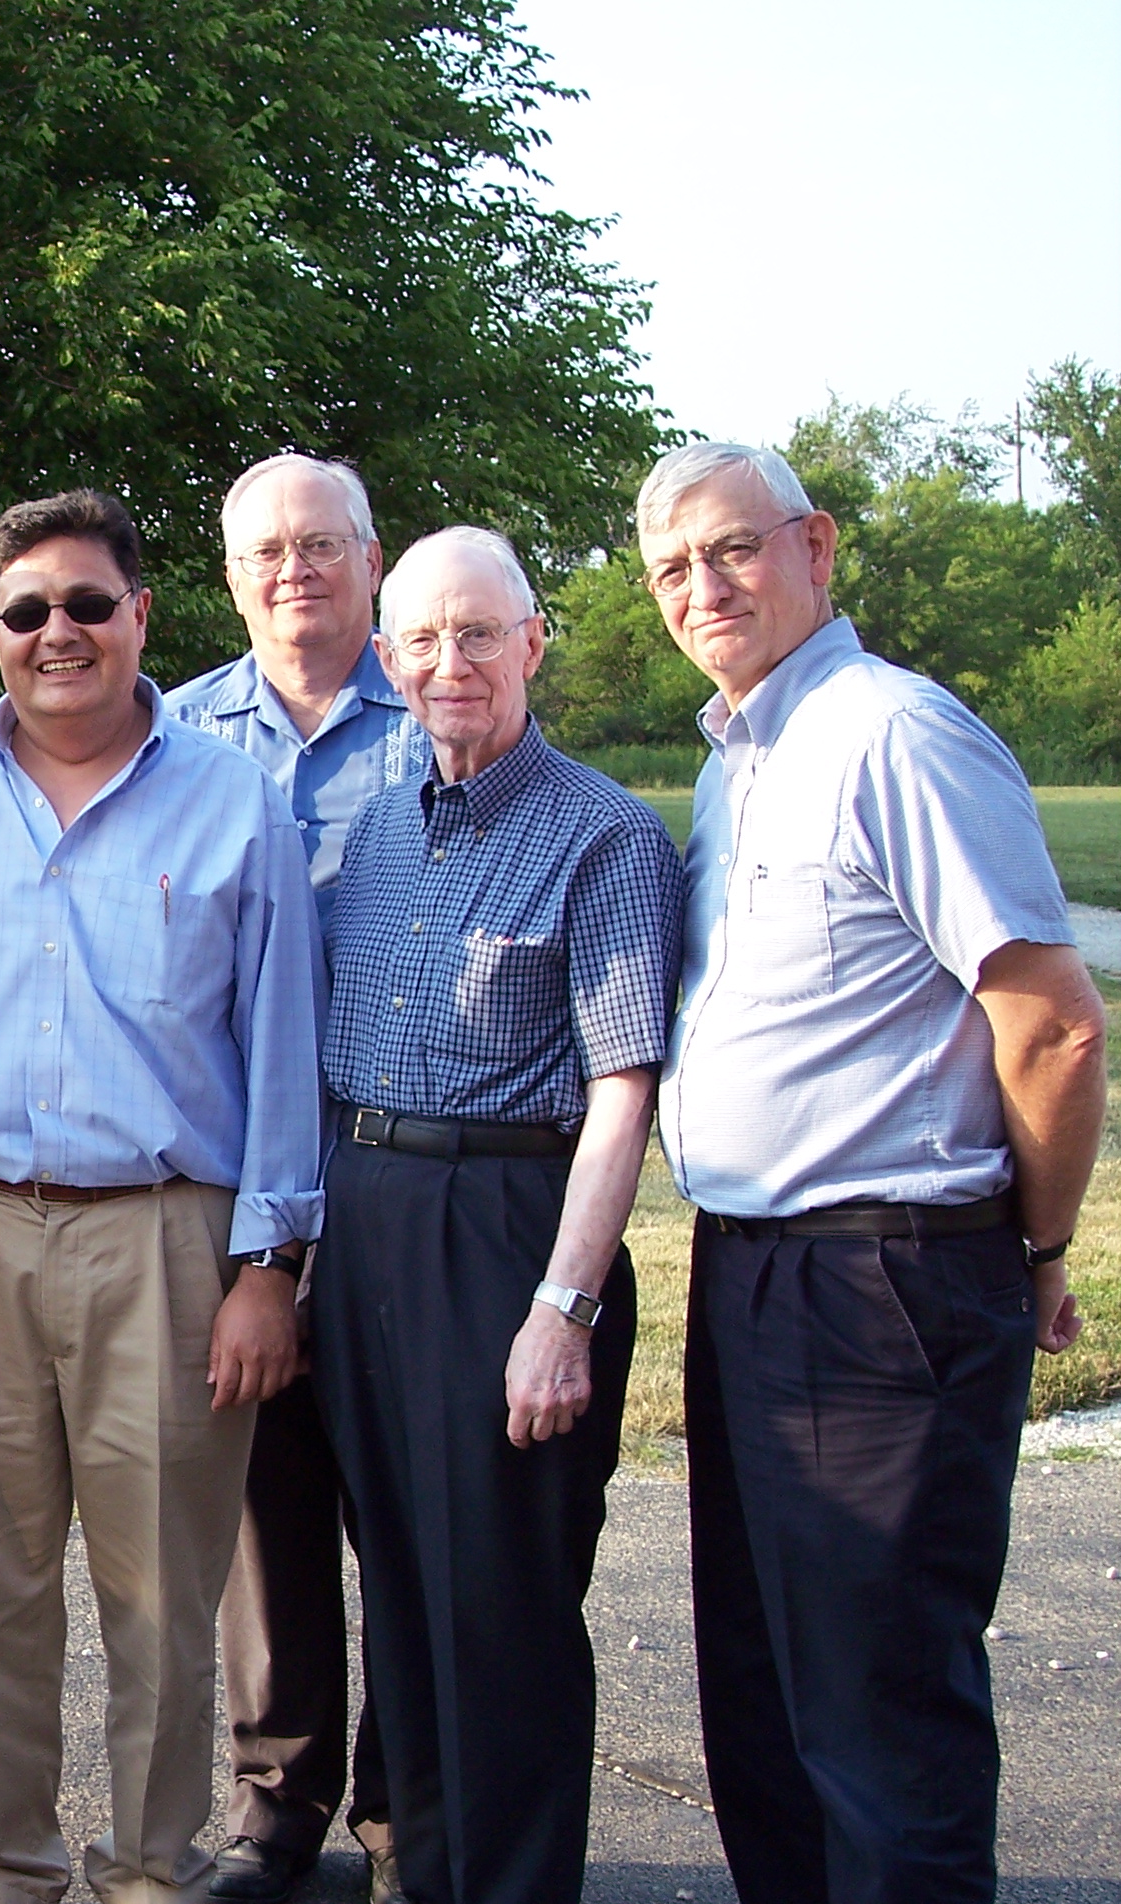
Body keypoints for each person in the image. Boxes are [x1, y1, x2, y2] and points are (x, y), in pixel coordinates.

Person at [642, 442, 1102, 1904]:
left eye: (733, 549)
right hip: (757, 1269)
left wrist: (1029, 1254)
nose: (703, 588)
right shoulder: (745, 759)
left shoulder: (893, 734)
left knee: (877, 1713)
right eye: (671, 568)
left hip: (885, 1274)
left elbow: (1049, 1021)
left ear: (816, 548)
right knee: (767, 1697)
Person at [0, 489, 323, 1904]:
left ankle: (147, 1871)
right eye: (27, 611)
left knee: (162, 1600)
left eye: (87, 605)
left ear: (141, 618)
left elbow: (283, 1040)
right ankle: (6, 1869)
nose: (58, 633)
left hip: (170, 1244)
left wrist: (270, 1266)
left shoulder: (237, 798)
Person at [306, 527, 682, 1904]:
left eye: (480, 634)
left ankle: (512, 1884)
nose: (449, 662)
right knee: (399, 1577)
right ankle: (429, 1862)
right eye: (422, 639)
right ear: (387, 658)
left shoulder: (606, 834)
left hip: (508, 1231)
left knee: (503, 1606)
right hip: (365, 1221)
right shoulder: (375, 832)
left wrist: (562, 1307)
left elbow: (622, 1091)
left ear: (533, 642)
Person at [161, 452, 422, 1903]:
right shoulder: (175, 734)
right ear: (230, 574)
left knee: (408, 1503)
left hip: (399, 1186)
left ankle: (404, 1801)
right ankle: (280, 1807)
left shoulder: (439, 712)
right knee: (265, 1516)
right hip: (229, 1199)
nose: (294, 570)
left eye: (322, 544)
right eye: (266, 550)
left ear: (370, 560)